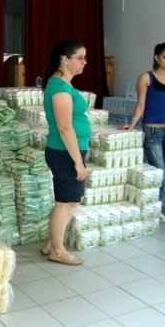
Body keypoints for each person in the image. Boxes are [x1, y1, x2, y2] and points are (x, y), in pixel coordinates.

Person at [120, 42, 165, 223]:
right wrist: (132, 123)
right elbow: (141, 104)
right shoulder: (146, 78)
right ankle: (152, 208)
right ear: (157, 58)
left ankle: (156, 208)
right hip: (152, 131)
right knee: (158, 170)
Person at [40, 39, 92, 265]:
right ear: (65, 59)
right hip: (65, 152)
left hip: (68, 151)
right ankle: (58, 251)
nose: (84, 62)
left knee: (72, 200)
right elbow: (64, 128)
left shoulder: (62, 84)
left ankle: (52, 244)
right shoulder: (60, 88)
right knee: (65, 202)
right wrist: (78, 162)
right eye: (80, 58)